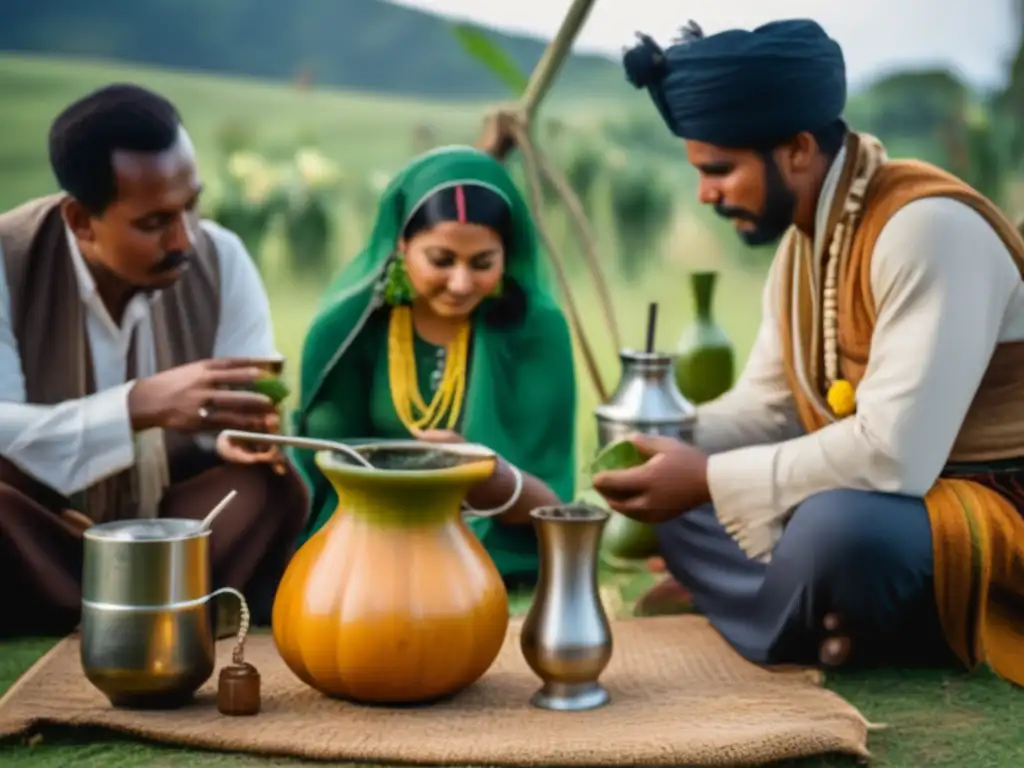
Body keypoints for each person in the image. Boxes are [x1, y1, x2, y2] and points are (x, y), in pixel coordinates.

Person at [589, 19, 1024, 684]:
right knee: (679, 504)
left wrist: (705, 478)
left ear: (795, 149)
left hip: (988, 506)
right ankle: (815, 613)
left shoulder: (927, 229)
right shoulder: (803, 249)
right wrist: (662, 437)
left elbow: (893, 457)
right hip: (893, 499)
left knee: (835, 534)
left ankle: (784, 605)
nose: (705, 194)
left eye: (719, 169)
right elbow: (768, 410)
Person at [0, 84, 308, 637]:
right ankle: (159, 609)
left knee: (268, 488)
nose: (185, 238)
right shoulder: (7, 261)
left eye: (191, 205)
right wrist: (138, 406)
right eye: (154, 222)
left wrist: (238, 434)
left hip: (177, 524)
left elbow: (249, 403)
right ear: (80, 220)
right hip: (38, 523)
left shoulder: (223, 258)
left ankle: (90, 607)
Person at [218, 146, 577, 587]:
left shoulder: (534, 332)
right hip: (364, 537)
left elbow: (552, 499)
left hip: (493, 554)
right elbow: (322, 460)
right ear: (402, 244)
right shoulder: (349, 331)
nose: (462, 283)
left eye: (483, 263)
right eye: (441, 260)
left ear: (508, 252)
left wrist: (480, 471)